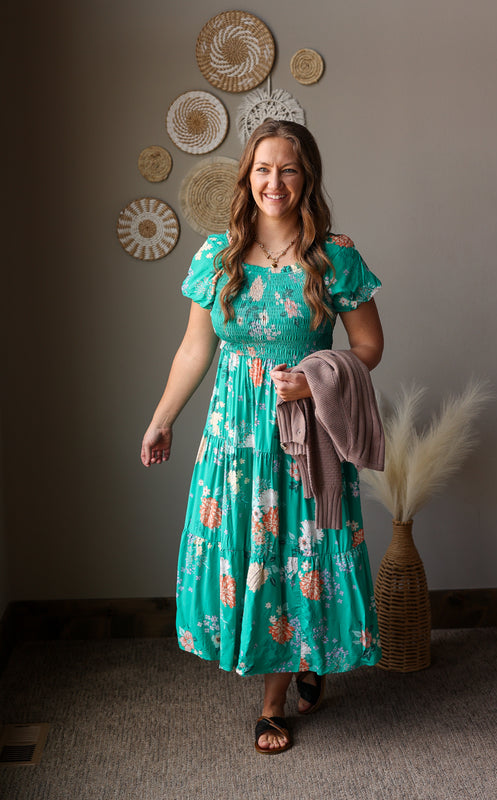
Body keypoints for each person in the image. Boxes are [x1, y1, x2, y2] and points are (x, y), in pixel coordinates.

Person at [141, 119, 384, 754]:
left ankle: (274, 703)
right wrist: (162, 417)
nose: (274, 182)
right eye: (263, 169)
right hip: (234, 437)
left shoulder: (335, 255)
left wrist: (314, 378)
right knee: (253, 554)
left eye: (289, 170)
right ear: (247, 177)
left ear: (308, 179)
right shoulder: (215, 255)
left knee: (297, 556)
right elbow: (195, 349)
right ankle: (297, 662)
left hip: (306, 434)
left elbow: (368, 346)